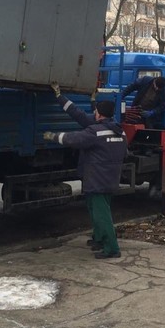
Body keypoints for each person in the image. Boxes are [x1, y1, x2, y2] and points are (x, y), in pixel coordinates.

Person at [45, 82, 127, 259]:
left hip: (97, 180)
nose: (93, 112)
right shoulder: (119, 131)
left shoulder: (95, 132)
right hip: (109, 178)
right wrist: (60, 97)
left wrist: (54, 136)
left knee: (101, 215)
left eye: (95, 110)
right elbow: (77, 113)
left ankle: (112, 249)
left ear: (99, 114)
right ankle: (99, 239)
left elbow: (73, 139)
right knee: (96, 210)